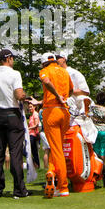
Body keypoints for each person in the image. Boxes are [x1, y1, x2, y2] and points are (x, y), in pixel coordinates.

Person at [0, 48, 31, 199]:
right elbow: (18, 94)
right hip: (12, 113)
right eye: (12, 58)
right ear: (9, 58)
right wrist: (25, 96)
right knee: (15, 152)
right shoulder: (14, 74)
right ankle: (19, 190)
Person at [39, 52, 73, 198]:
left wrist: (56, 95)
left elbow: (46, 82)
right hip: (64, 112)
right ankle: (51, 173)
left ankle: (63, 186)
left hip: (51, 111)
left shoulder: (45, 70)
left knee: (56, 149)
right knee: (57, 148)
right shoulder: (65, 72)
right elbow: (71, 90)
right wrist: (62, 97)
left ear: (43, 63)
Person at [90, 92, 105, 181]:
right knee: (104, 151)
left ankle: (96, 169)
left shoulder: (92, 108)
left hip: (94, 131)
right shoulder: (104, 108)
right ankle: (103, 169)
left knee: (96, 150)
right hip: (104, 131)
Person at [27, 103, 40, 169]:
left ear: (34, 107)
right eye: (29, 107)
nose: (30, 108)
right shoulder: (31, 115)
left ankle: (36, 164)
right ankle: (36, 164)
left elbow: (36, 125)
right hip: (30, 134)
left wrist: (28, 128)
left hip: (33, 135)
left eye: (31, 107)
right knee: (33, 150)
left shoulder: (35, 114)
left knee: (31, 150)